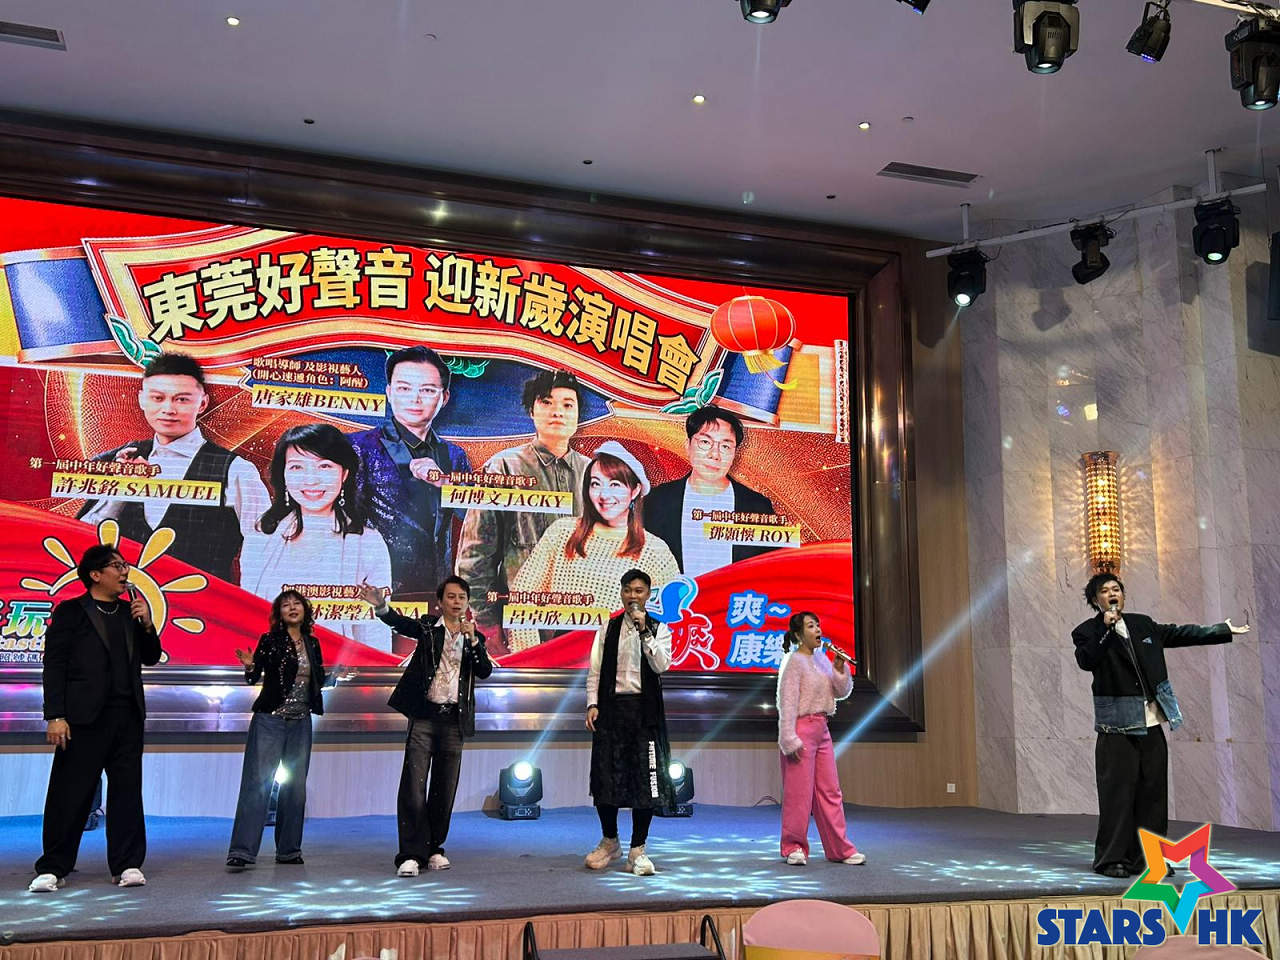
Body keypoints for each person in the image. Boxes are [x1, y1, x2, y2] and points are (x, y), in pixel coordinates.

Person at [1072, 573, 1248, 878]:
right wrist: (1106, 629)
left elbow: (1178, 634)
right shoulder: (1087, 631)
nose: (1112, 593)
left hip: (1152, 722)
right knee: (1118, 795)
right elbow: (1087, 660)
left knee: (1153, 794)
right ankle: (1111, 859)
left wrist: (1221, 630)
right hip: (1118, 727)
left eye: (1116, 589)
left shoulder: (1142, 624)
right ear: (1095, 600)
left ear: (1123, 595)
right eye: (1105, 591)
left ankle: (1149, 859)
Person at [29, 545, 162, 892]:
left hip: (127, 716)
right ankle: (53, 867)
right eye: (117, 566)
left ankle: (127, 864)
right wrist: (55, 715)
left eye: (125, 565)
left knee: (127, 792)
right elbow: (54, 665)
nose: (125, 572)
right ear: (95, 574)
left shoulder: (131, 611)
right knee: (69, 794)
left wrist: (148, 624)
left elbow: (151, 657)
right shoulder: (71, 611)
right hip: (82, 719)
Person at [79, 352, 271, 583]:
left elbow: (265, 549)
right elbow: (82, 542)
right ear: (142, 399)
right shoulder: (118, 459)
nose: (168, 409)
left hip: (202, 601)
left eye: (182, 399)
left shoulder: (236, 470)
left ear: (203, 403)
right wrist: (121, 491)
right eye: (158, 398)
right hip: (123, 602)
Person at [358, 575, 493, 876]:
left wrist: (473, 640)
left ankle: (434, 848)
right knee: (414, 785)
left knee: (445, 787)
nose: (456, 602)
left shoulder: (475, 638)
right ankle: (410, 853)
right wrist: (381, 606)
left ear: (467, 603)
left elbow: (484, 670)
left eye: (462, 597)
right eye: (451, 597)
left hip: (454, 719)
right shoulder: (429, 628)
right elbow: (400, 624)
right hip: (424, 715)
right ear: (440, 601)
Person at [454, 369, 591, 649]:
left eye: (568, 405)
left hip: (585, 622)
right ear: (531, 411)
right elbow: (475, 555)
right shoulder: (503, 467)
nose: (558, 412)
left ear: (579, 414)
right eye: (547, 402)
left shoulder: (595, 473)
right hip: (521, 624)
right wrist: (487, 627)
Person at [507, 441, 679, 652]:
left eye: (615, 485)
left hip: (623, 661)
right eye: (595, 484)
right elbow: (522, 596)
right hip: (562, 659)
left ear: (635, 490)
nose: (604, 495)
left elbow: (673, 620)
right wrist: (531, 659)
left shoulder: (655, 551)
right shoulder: (563, 532)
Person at [241, 424, 393, 650]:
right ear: (283, 474)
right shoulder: (260, 538)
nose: (310, 480)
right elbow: (247, 619)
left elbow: (375, 630)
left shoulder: (368, 543)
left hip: (339, 667)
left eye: (324, 466)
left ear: (344, 474)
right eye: (297, 467)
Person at [350, 346, 471, 605]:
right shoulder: (357, 447)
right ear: (389, 392)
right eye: (404, 388)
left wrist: (445, 483)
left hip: (437, 593)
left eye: (427, 390)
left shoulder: (454, 455)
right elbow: (341, 521)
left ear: (444, 397)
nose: (415, 399)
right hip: (375, 592)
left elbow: (474, 519)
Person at [225, 590, 332, 871]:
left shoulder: (313, 643)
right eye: (286, 605)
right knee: (257, 785)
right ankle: (242, 851)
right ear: (279, 614)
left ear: (305, 610)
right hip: (270, 720)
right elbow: (254, 677)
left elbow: (317, 679)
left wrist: (332, 678)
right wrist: (250, 666)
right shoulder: (270, 640)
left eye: (297, 604)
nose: (292, 608)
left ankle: (289, 850)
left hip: (301, 721)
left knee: (295, 789)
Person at [583, 569, 674, 877]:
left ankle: (638, 849)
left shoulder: (659, 629)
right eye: (628, 590)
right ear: (621, 592)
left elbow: (661, 665)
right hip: (611, 711)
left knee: (645, 782)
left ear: (648, 594)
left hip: (644, 713)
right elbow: (595, 671)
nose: (632, 596)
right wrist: (592, 704)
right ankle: (610, 841)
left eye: (639, 591)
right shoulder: (607, 628)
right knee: (605, 778)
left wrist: (645, 632)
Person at [775, 611, 865, 867]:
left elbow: (841, 692)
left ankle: (839, 848)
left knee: (830, 791)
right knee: (799, 793)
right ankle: (794, 846)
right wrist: (788, 737)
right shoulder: (794, 661)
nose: (818, 630)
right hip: (801, 730)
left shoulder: (822, 659)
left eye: (818, 625)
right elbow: (787, 702)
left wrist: (839, 668)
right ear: (798, 634)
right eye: (811, 626)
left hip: (822, 729)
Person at [644, 406, 777, 578]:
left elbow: (770, 571)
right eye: (705, 442)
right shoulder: (657, 501)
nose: (715, 454)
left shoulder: (757, 506)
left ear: (734, 454)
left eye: (725, 446)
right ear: (688, 446)